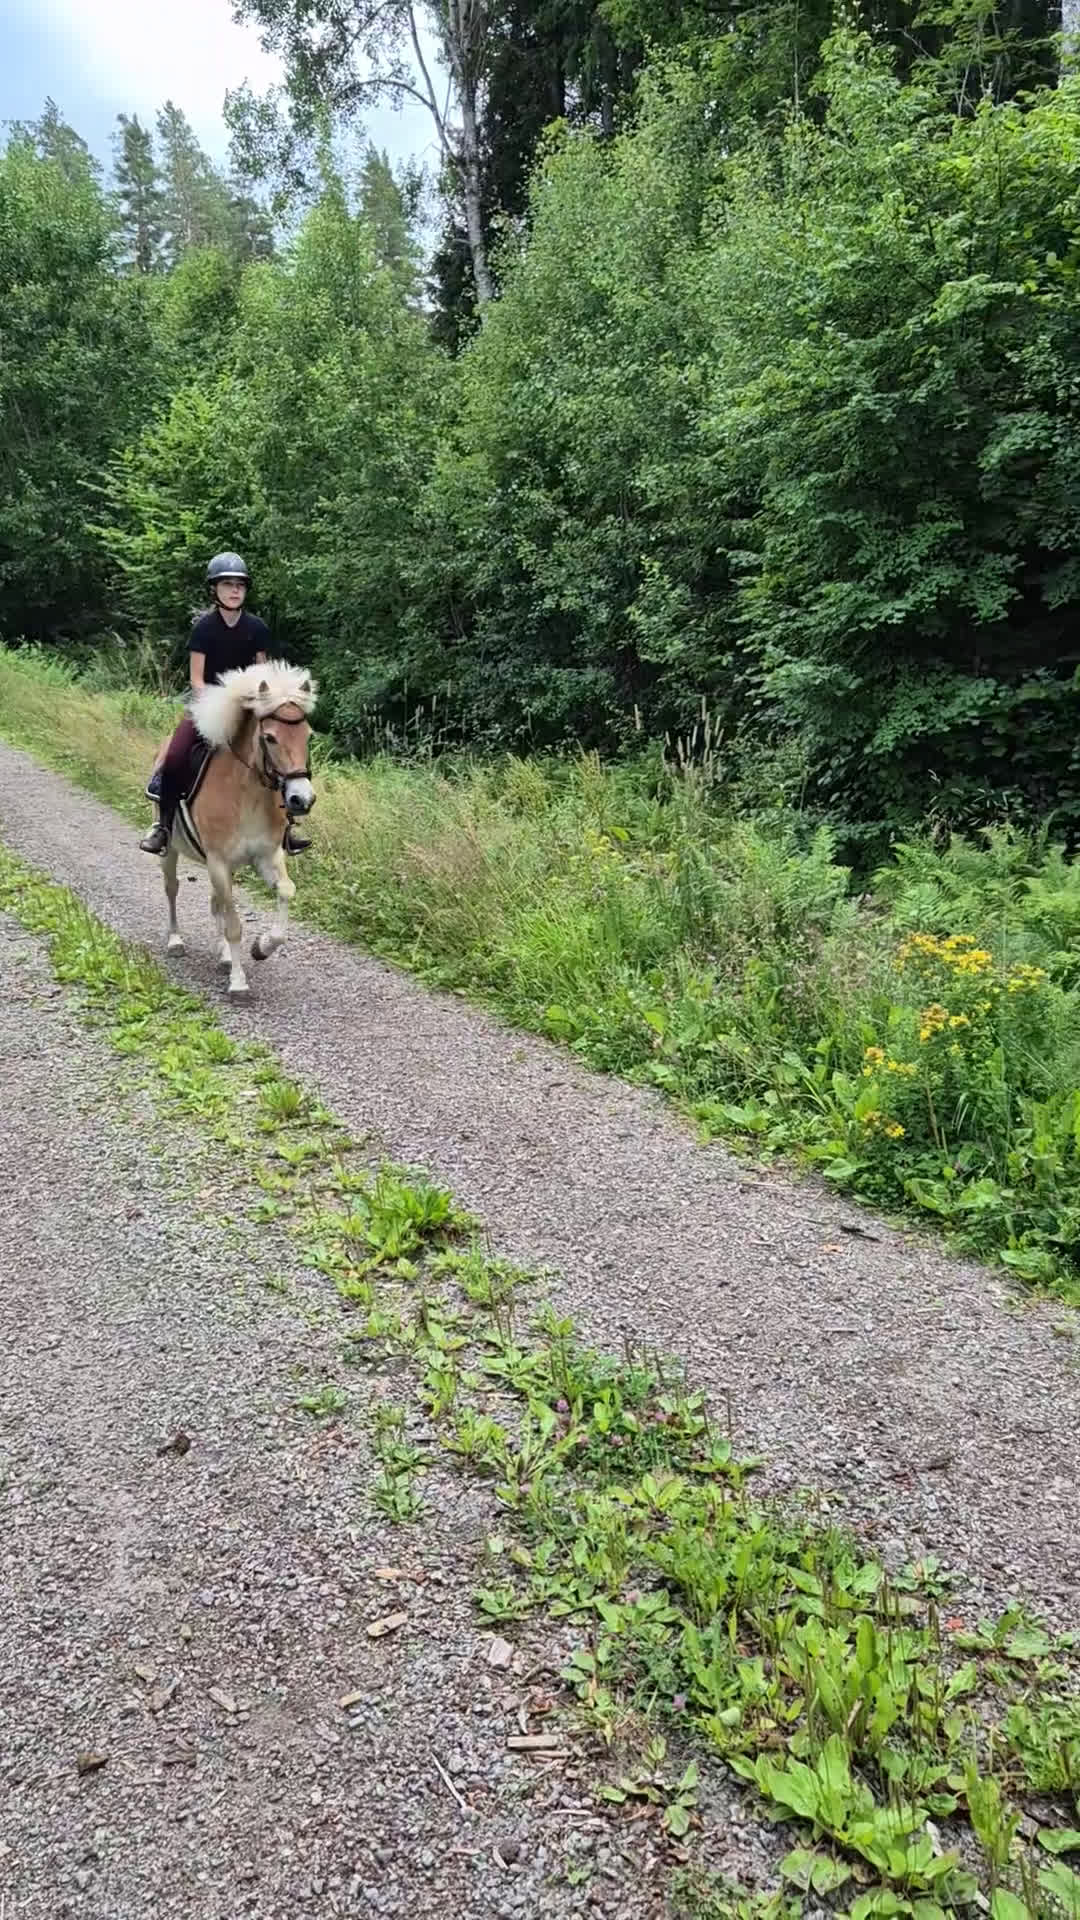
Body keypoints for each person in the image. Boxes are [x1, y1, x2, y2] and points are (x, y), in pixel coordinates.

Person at [140, 551, 310, 857]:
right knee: (177, 755)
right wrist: (218, 707)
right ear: (214, 590)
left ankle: (286, 827)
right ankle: (162, 827)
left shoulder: (257, 627)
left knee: (287, 756)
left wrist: (258, 705)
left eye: (240, 585)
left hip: (248, 712)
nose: (234, 590)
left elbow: (263, 674)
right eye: (227, 584)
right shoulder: (204, 628)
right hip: (208, 709)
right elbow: (197, 680)